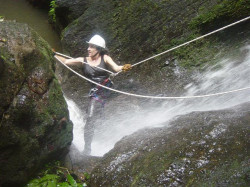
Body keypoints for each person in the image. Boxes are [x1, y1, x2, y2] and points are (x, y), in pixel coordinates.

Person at [55, 34, 132, 155]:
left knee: (92, 117)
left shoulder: (105, 58)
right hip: (95, 92)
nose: (88, 49)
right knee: (90, 119)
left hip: (106, 88)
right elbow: (65, 61)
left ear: (99, 49)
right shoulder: (82, 60)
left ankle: (90, 146)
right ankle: (88, 149)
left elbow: (116, 68)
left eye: (92, 47)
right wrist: (54, 54)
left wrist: (124, 67)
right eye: (88, 46)